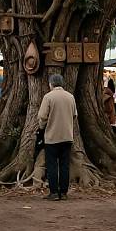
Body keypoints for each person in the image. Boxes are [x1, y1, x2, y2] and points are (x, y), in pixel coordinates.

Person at [38, 73, 77, 201]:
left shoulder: (48, 97)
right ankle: (64, 192)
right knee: (65, 164)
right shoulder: (70, 97)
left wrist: (42, 127)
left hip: (52, 136)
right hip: (67, 136)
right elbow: (74, 115)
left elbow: (42, 117)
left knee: (52, 164)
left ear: (51, 84)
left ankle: (54, 192)